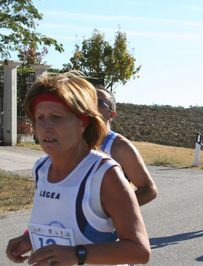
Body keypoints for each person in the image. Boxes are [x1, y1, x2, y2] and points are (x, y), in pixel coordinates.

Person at [6, 71, 150, 265]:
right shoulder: (41, 168)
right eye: (40, 117)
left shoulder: (104, 174)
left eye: (56, 117)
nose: (46, 127)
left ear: (82, 122)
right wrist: (28, 238)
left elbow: (139, 251)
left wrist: (78, 254)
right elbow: (59, 222)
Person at [96, 86, 157, 206]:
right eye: (86, 100)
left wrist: (110, 210)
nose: (90, 105)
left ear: (111, 114)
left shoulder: (120, 147)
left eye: (98, 102)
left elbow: (149, 190)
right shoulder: (73, 141)